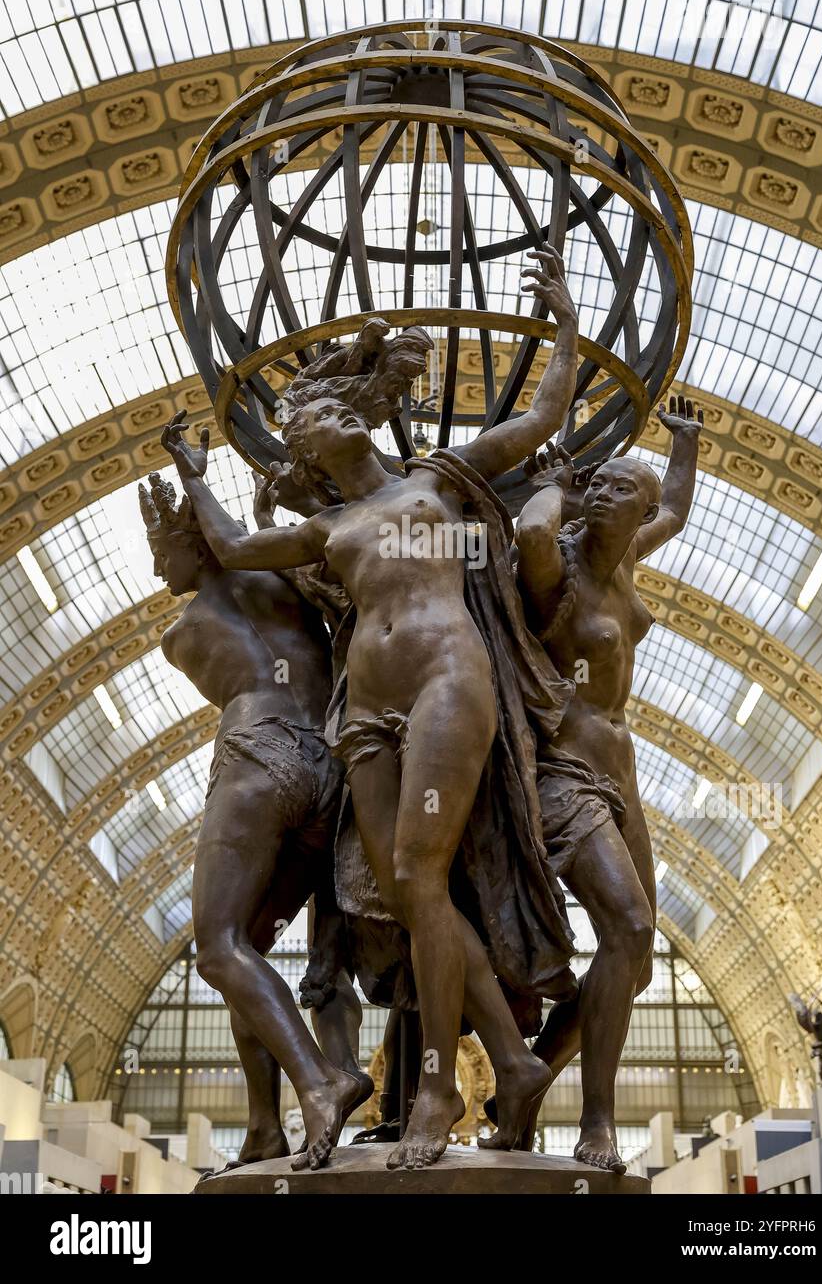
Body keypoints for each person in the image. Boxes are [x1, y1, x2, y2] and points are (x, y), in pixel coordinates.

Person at [161, 243, 582, 1170]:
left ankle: (440, 1080)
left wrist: (563, 322)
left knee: (423, 879)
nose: (307, 430)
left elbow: (546, 412)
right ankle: (511, 1063)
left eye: (316, 416)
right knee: (399, 893)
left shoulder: (436, 477)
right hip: (365, 714)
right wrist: (194, 471)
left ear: (356, 420)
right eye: (301, 427)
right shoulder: (323, 527)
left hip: (444, 684)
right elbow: (230, 546)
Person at [139, 470, 373, 1173]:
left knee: (217, 948)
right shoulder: (292, 585)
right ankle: (265, 1131)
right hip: (330, 773)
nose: (158, 569)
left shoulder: (180, 635)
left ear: (198, 545)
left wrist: (211, 514)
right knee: (248, 955)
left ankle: (319, 1081)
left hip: (257, 760)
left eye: (162, 551)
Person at [502, 394, 703, 1171]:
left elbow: (677, 510)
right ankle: (596, 1123)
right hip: (565, 775)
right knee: (629, 929)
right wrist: (555, 483)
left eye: (626, 489)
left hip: (625, 782)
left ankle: (526, 1083)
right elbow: (528, 530)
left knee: (639, 956)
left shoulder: (626, 559)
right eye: (605, 486)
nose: (609, 495)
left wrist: (683, 441)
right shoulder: (561, 565)